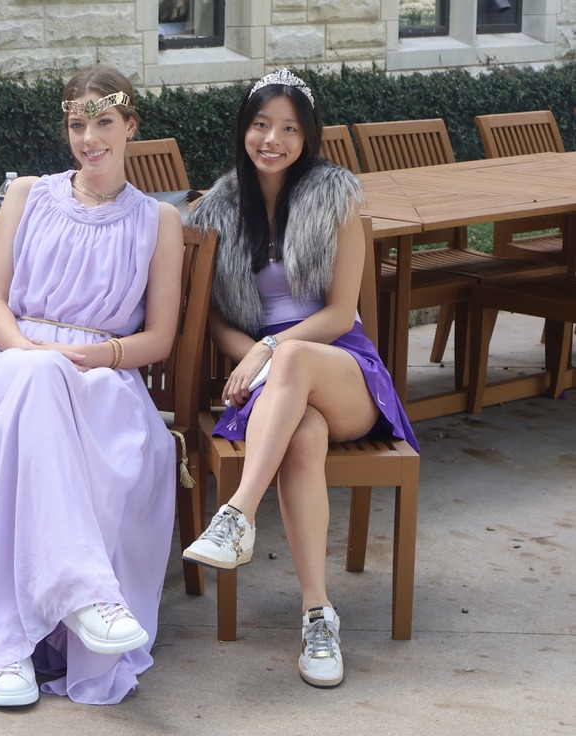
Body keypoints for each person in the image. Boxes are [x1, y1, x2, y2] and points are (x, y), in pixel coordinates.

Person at [0, 66, 184, 707]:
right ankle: (80, 597)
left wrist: (90, 355)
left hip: (103, 378)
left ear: (130, 126)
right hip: (13, 360)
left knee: (49, 391)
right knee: (35, 382)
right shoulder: (27, 194)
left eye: (104, 123)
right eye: (78, 124)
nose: (90, 138)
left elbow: (159, 339)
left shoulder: (157, 222)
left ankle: (10, 648)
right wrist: (33, 354)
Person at [183, 68, 420, 688]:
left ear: (308, 136)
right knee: (303, 438)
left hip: (343, 369)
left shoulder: (337, 196)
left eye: (289, 128)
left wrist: (267, 348)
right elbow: (213, 320)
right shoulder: (221, 209)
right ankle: (319, 616)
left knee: (291, 362)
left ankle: (236, 514)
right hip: (277, 385)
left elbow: (341, 314)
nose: (273, 139)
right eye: (261, 125)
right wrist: (253, 354)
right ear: (244, 130)